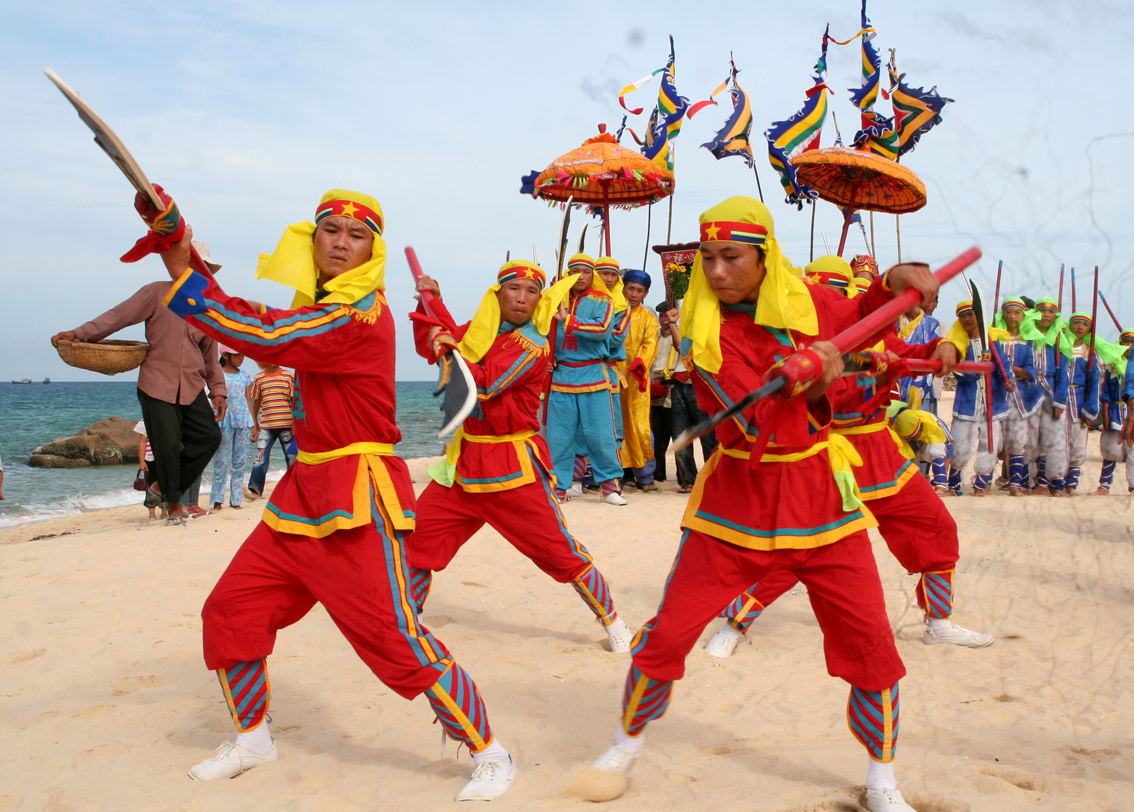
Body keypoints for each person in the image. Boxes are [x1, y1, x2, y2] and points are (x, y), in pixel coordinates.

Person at [584, 197, 943, 812]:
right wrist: (813, 377)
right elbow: (753, 415)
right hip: (737, 505)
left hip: (823, 502)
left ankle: (882, 781)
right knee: (669, 631)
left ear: (763, 256)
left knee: (869, 643)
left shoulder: (806, 299)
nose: (718, 272)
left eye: (733, 257)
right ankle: (626, 741)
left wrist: (892, 282)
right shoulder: (701, 327)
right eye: (709, 258)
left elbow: (861, 312)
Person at [155, 189, 514, 800]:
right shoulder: (323, 307)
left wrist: (178, 250)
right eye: (331, 230)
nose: (341, 242)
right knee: (231, 611)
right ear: (312, 238)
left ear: (371, 251)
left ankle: (490, 751)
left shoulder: (360, 313)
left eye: (356, 234)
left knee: (395, 637)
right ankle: (253, 739)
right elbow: (259, 320)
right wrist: (174, 243)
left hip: (358, 495)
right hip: (302, 495)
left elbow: (265, 332)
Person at [704, 255, 990, 660]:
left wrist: (940, 347)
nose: (836, 304)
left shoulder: (874, 331)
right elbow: (808, 386)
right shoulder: (792, 342)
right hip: (825, 452)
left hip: (879, 449)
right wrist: (865, 363)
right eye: (827, 294)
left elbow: (907, 353)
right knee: (799, 549)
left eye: (843, 294)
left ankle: (938, 622)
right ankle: (734, 622)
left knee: (934, 525)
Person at [407, 261, 633, 653]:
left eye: (532, 291)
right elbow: (447, 343)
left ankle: (613, 619)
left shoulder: (533, 343)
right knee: (417, 541)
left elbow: (484, 382)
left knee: (560, 553)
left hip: (513, 470)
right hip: (463, 468)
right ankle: (410, 619)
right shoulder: (480, 334)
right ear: (498, 294)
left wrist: (446, 342)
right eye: (514, 289)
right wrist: (435, 306)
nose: (522, 298)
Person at [51, 239, 227, 524]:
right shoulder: (155, 293)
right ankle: (174, 505)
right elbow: (118, 317)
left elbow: (209, 355)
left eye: (203, 268)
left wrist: (219, 392)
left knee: (210, 437)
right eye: (193, 263)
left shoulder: (208, 308)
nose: (198, 270)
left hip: (193, 386)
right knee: (167, 447)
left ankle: (160, 488)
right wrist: (79, 333)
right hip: (156, 383)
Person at [546, 254, 626, 505]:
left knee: (601, 435)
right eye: (575, 271)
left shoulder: (604, 300)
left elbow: (602, 329)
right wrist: (545, 356)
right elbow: (538, 328)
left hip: (594, 374)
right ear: (567, 274)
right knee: (559, 437)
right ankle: (559, 487)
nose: (580, 276)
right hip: (561, 377)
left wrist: (568, 319)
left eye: (586, 271)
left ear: (593, 275)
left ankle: (609, 488)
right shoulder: (553, 299)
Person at [946, 300, 1011, 496]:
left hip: (993, 403)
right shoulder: (958, 346)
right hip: (967, 404)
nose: (967, 319)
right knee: (961, 445)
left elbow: (1003, 367)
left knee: (989, 444)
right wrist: (977, 368)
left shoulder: (993, 342)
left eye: (970, 314)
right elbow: (957, 372)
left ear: (978, 317)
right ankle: (954, 485)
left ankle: (981, 485)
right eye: (962, 316)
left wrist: (1007, 379)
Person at [993, 297, 1041, 496]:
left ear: (1024, 315)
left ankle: (1015, 484)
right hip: (997, 394)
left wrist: (1009, 369)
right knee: (993, 441)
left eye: (1017, 312)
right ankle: (985, 483)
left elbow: (1031, 372)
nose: (1012, 316)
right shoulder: (994, 339)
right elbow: (990, 365)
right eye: (1008, 312)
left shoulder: (1029, 341)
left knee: (1018, 441)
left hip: (1022, 396)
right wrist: (1000, 371)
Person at [1023, 298, 1071, 495]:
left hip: (1052, 393)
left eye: (1051, 312)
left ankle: (1051, 481)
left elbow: (1064, 373)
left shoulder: (1060, 339)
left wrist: (1060, 400)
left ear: (1056, 316)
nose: (1046, 315)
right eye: (1042, 311)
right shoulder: (1027, 337)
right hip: (1030, 392)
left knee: (1054, 439)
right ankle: (1029, 482)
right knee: (1030, 438)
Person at [618, 270, 660, 491]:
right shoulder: (612, 312)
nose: (634, 294)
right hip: (612, 378)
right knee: (614, 426)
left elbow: (651, 343)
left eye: (639, 291)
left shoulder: (649, 318)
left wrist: (639, 365)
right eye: (631, 288)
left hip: (636, 379)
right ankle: (617, 475)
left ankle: (645, 476)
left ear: (645, 294)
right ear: (623, 288)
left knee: (640, 426)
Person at [210, 347, 256, 510]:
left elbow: (249, 400)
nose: (241, 357)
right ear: (226, 355)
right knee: (222, 461)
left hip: (243, 421)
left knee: (240, 462)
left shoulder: (245, 376)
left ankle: (235, 500)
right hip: (224, 421)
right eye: (236, 355)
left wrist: (254, 425)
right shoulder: (218, 375)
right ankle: (217, 500)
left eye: (242, 354)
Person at [1062, 313, 1101, 495]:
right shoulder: (1061, 348)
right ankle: (1055, 480)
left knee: (1077, 443)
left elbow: (1094, 384)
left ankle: (1071, 483)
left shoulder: (1090, 353)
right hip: (1061, 401)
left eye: (1084, 325)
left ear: (1089, 330)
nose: (1079, 327)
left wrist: (1090, 407)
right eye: (1076, 323)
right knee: (1057, 440)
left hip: (1079, 402)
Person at [247, 361, 296, 498]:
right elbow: (256, 402)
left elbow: (293, 401)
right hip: (266, 426)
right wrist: (255, 425)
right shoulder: (259, 378)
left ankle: (294, 488)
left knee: (291, 457)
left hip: (286, 425)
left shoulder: (288, 376)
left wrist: (294, 425)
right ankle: (255, 489)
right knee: (260, 458)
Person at [1096, 331, 1133, 494]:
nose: (1130, 346)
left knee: (1132, 450)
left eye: (1133, 342)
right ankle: (1104, 486)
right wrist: (1106, 413)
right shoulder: (1112, 365)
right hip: (1116, 411)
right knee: (1112, 449)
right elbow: (1106, 392)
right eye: (1126, 342)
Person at [897, 295, 942, 415]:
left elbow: (932, 356)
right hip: (895, 379)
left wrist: (919, 387)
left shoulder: (932, 324)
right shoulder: (893, 321)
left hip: (920, 380)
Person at [649, 302, 676, 484]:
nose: (664, 320)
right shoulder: (654, 337)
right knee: (657, 435)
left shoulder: (678, 336)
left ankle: (685, 476)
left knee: (677, 433)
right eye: (662, 316)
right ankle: (658, 473)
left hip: (674, 389)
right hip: (653, 389)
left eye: (667, 315)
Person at [134, 420, 165, 519]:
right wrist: (141, 461)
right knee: (150, 485)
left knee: (164, 484)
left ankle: (164, 510)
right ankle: (152, 513)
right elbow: (142, 442)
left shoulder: (165, 420)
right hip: (150, 458)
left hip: (164, 457)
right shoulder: (144, 423)